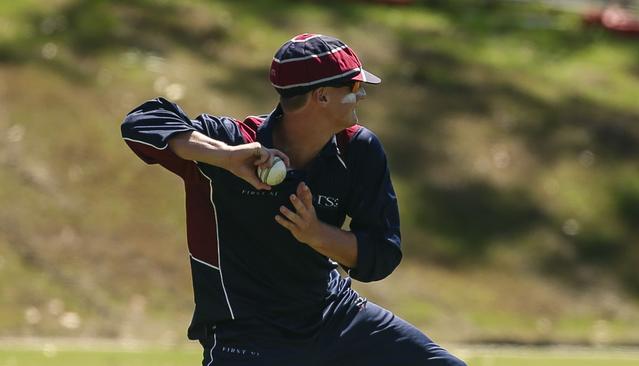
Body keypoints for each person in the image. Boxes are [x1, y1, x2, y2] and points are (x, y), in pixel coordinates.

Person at [121, 33, 466, 366]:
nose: (361, 96)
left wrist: (317, 235)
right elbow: (141, 122)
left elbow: (382, 254)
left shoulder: (359, 149)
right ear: (322, 96)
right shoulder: (235, 142)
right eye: (354, 87)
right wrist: (225, 156)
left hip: (335, 317)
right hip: (245, 335)